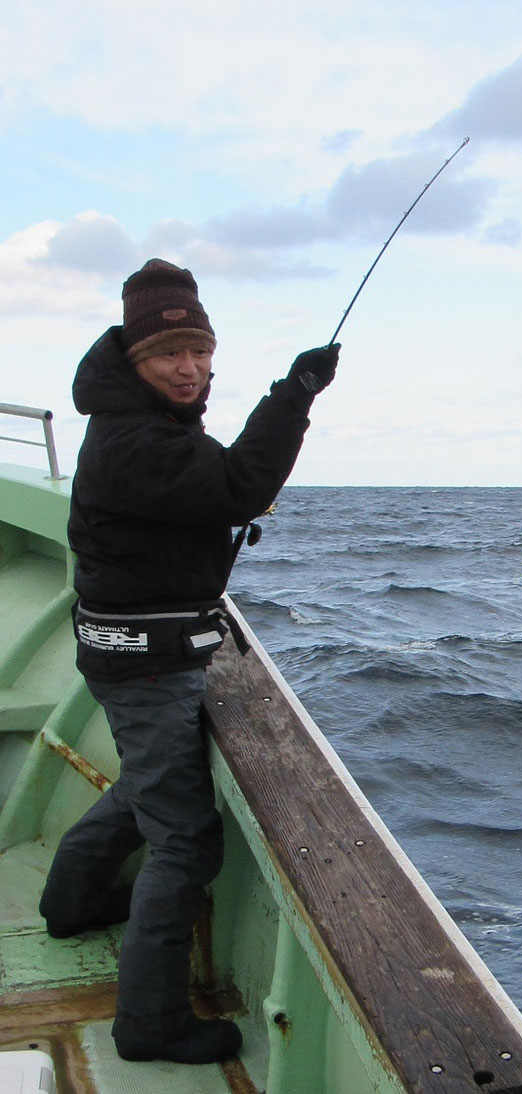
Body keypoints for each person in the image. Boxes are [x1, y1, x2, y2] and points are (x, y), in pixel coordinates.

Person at [38, 259, 339, 1064]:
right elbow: (237, 486)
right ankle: (149, 1023)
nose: (189, 368)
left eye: (200, 353)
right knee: (185, 840)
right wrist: (294, 396)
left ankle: (68, 904)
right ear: (134, 360)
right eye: (169, 355)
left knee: (147, 784)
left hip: (129, 651)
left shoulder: (139, 423)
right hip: (145, 663)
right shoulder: (135, 440)